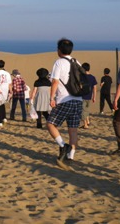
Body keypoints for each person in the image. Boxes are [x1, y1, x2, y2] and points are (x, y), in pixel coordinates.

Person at [47, 38, 83, 170]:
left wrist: (52, 98)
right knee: (73, 129)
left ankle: (63, 146)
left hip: (64, 99)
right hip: (78, 100)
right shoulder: (76, 62)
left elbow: (55, 81)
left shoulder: (59, 62)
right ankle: (71, 157)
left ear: (59, 50)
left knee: (50, 123)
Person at [0, 60, 12, 127]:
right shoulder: (7, 73)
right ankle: (4, 118)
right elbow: (10, 84)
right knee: (2, 105)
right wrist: (10, 91)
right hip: (5, 91)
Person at [81, 63, 98, 129]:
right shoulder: (92, 77)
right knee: (86, 110)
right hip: (89, 96)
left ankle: (85, 124)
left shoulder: (82, 77)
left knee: (83, 111)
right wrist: (94, 97)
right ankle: (87, 121)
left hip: (82, 96)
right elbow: (95, 87)